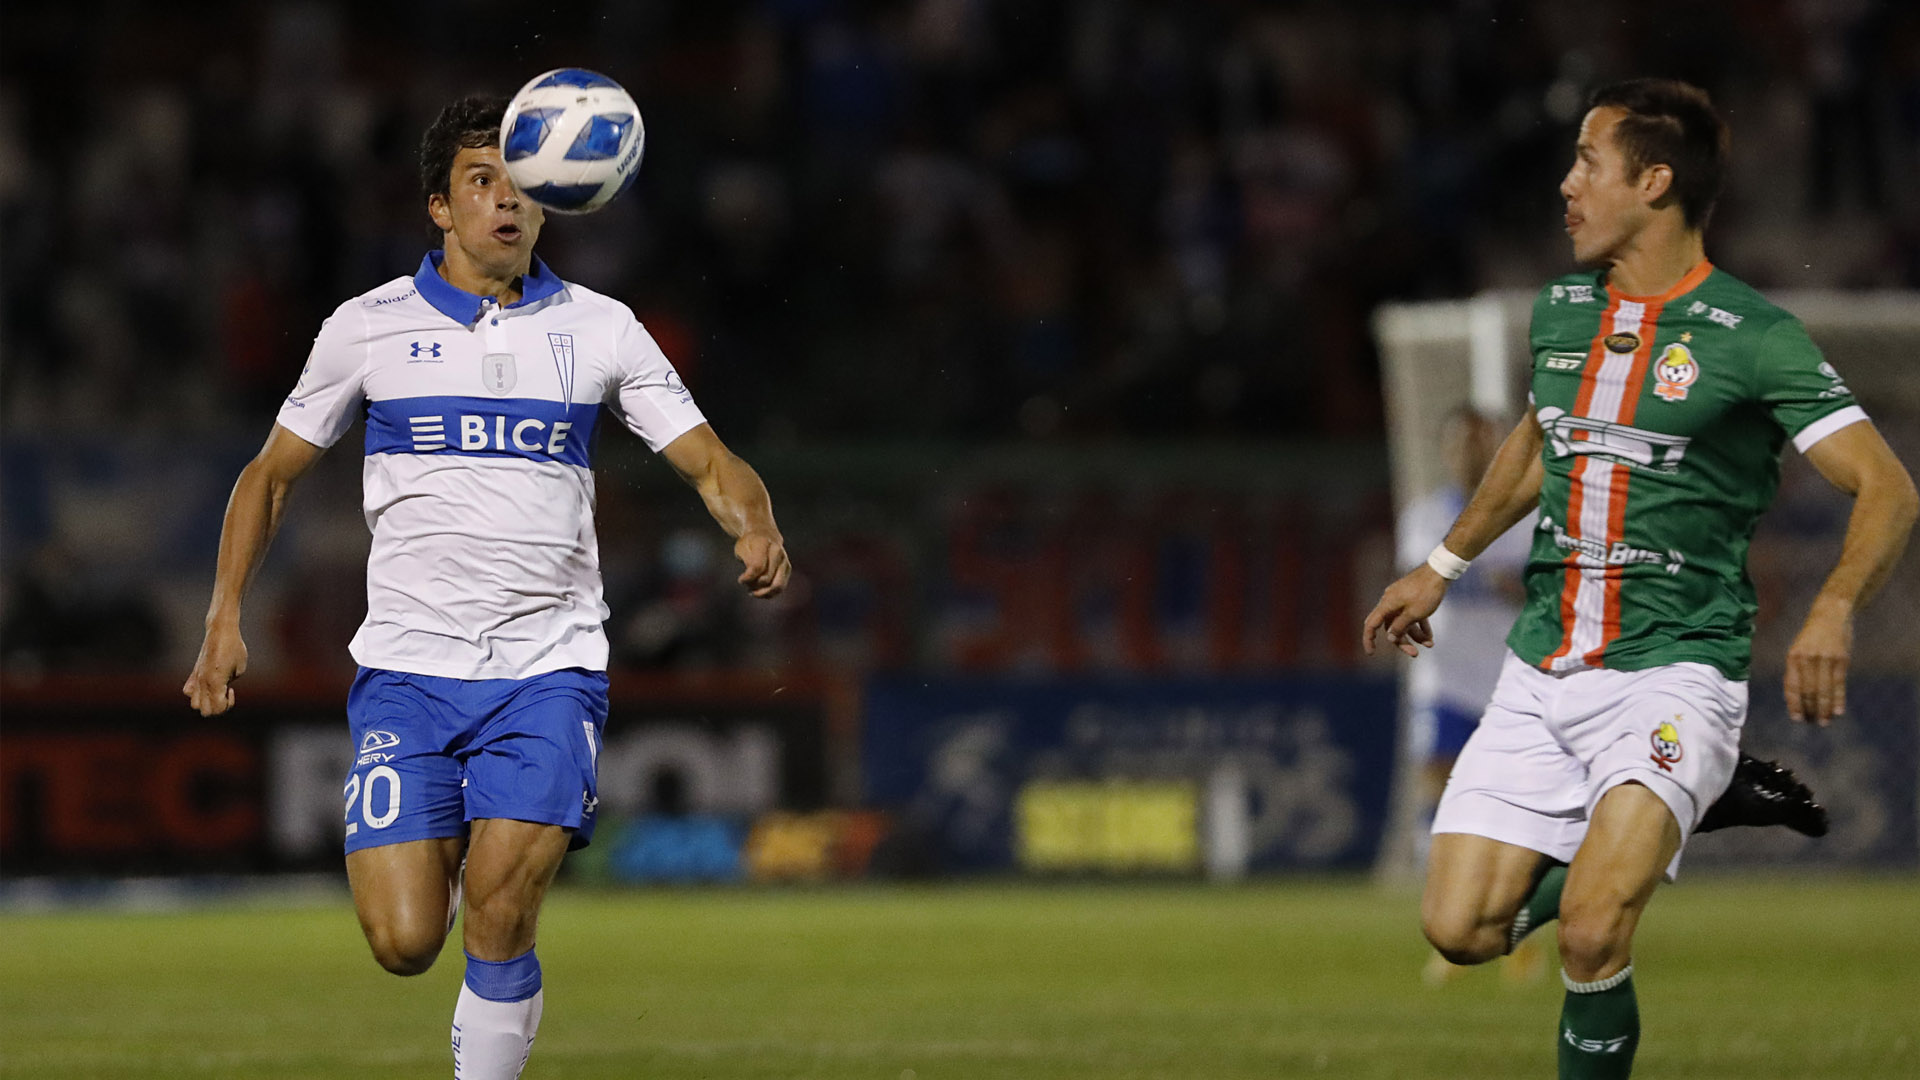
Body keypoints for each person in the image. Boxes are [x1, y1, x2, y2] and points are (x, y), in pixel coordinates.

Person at [182, 95, 792, 1080]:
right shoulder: (367, 328)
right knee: (404, 941)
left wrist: (754, 520)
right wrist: (223, 618)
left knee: (503, 912)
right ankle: (453, 878)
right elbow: (270, 475)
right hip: (408, 673)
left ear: (553, 201)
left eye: (521, 187)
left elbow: (712, 461)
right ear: (439, 206)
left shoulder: (601, 331)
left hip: (548, 668)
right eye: (481, 183)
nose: (504, 204)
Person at [1363, 78, 1916, 1079]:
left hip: (1673, 672)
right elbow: (1543, 440)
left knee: (1588, 932)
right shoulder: (1564, 311)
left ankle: (1680, 792)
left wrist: (1834, 606)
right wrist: (1441, 565)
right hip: (1543, 670)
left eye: (1588, 162)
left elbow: (1887, 488)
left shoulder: (1754, 339)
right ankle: (1705, 800)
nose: (1567, 186)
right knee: (1460, 929)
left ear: (1654, 182)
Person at [1393, 407, 1542, 985]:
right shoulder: (1424, 514)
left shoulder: (1527, 515)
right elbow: (1417, 579)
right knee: (1437, 796)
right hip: (1446, 680)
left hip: (1511, 678)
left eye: (1480, 442)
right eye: (1459, 443)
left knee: (1517, 811)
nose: (1469, 453)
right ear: (1445, 451)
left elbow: (1547, 582)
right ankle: (1445, 929)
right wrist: (1491, 579)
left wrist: (1516, 584)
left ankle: (1519, 933)